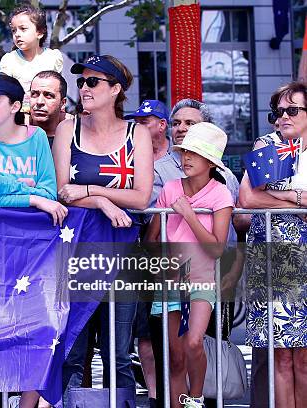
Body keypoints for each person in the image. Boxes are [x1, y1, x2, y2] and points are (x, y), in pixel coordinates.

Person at [52, 55, 153, 405]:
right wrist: (104, 202)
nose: (84, 88)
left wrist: (91, 191)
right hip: (75, 254)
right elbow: (62, 191)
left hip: (122, 253)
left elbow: (141, 198)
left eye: (93, 82)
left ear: (116, 89)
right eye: (82, 81)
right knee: (71, 350)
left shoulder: (136, 133)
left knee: (118, 355)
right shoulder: (68, 128)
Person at [0, 73, 66, 408]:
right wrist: (30, 197)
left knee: (34, 329)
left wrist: (4, 187)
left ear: (15, 106)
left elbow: (50, 191)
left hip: (32, 252)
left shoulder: (36, 138)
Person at [146, 122, 233, 408]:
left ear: (210, 161)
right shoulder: (170, 188)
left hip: (202, 280)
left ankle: (195, 399)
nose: (186, 158)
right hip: (170, 279)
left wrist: (188, 214)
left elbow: (217, 248)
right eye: (184, 152)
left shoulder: (220, 194)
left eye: (194, 153)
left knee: (194, 341)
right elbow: (152, 238)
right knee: (175, 354)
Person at [239, 80, 307, 408]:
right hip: (275, 261)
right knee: (281, 359)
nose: (283, 117)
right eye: (277, 112)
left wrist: (275, 197)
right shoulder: (268, 144)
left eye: (292, 110)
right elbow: (248, 198)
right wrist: (296, 199)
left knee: (305, 360)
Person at [0, 4, 63, 111]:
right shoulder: (9, 60)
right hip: (20, 118)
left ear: (40, 32)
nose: (17, 34)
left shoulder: (53, 57)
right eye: (14, 30)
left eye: (23, 29)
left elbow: (59, 91)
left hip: (49, 115)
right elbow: (6, 94)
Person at [29, 70, 71, 147]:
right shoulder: (14, 131)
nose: (39, 102)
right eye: (34, 94)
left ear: (63, 103)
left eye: (48, 95)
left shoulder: (75, 137)